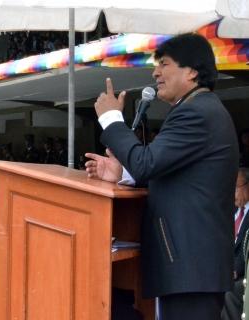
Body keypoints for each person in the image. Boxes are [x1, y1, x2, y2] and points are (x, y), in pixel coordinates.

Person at [85, 33, 239, 319]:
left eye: (164, 64)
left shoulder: (197, 113)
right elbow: (164, 172)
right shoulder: (197, 110)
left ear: (192, 71)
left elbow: (147, 163)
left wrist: (111, 120)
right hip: (190, 269)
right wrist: (123, 173)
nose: (155, 72)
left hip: (190, 268)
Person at [222, 168, 249, 320]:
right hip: (224, 270)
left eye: (236, 188)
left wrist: (235, 270)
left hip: (242, 273)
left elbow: (247, 248)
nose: (232, 194)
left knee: (229, 292)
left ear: (247, 186)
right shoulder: (231, 211)